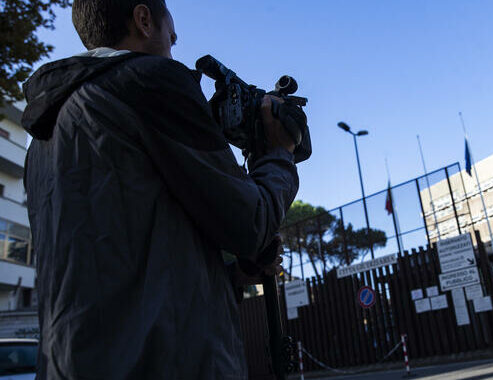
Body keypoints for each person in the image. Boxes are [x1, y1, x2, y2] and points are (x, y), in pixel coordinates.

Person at [21, 1, 302, 378]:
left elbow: (120, 255)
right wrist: (278, 153)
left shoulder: (41, 140)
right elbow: (251, 223)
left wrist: (232, 273)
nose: (174, 36)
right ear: (143, 19)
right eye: (170, 24)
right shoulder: (148, 81)